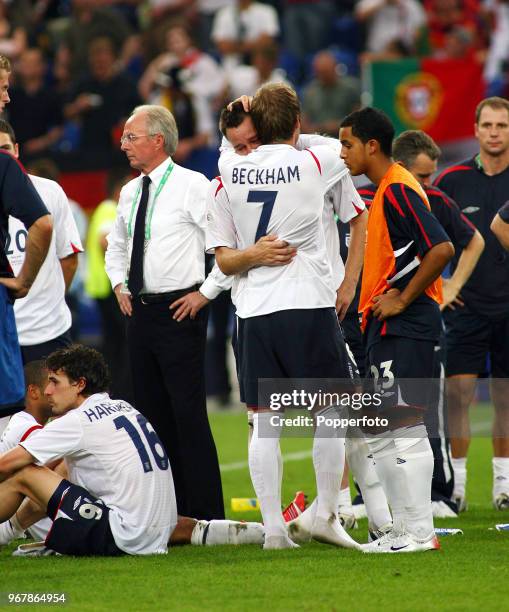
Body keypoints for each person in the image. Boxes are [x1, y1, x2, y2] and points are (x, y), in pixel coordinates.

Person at [217, 100, 393, 541]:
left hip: (253, 311)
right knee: (332, 413)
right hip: (308, 304)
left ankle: (275, 531)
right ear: (296, 123)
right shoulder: (316, 161)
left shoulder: (226, 170)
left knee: (264, 422)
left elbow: (221, 260)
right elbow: (350, 149)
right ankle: (328, 516)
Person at [0, 345, 264, 556]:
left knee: (24, 473)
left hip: (124, 535)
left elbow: (6, 466)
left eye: (55, 382)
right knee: (62, 470)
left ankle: (5, 534)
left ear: (79, 384)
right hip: (158, 530)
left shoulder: (77, 421)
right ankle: (267, 531)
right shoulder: (124, 406)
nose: (48, 391)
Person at [105, 104, 229, 521]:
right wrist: (118, 283)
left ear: (158, 140)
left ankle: (206, 514)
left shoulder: (194, 185)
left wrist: (204, 294)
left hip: (180, 310)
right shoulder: (129, 191)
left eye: (131, 136)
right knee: (149, 416)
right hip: (139, 312)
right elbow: (118, 246)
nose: (124, 145)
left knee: (188, 414)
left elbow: (223, 246)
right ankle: (166, 512)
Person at [339, 107, 454, 552]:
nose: (344, 153)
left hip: (406, 323)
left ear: (372, 146)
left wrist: (403, 298)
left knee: (403, 426)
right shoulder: (385, 190)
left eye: (348, 144)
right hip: (385, 324)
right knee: (384, 428)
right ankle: (402, 530)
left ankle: (420, 532)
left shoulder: (398, 189)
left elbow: (441, 247)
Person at [359, 129, 484, 518]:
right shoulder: (371, 197)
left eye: (431, 176)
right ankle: (380, 501)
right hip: (373, 317)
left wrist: (451, 285)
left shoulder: (425, 198)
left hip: (415, 318)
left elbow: (466, 241)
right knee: (382, 413)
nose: (427, 183)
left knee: (420, 411)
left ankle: (439, 495)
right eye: (423, 175)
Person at [433, 96, 509, 511]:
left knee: (505, 398)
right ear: (476, 130)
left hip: (508, 306)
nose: (495, 132)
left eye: (502, 125)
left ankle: (503, 485)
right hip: (466, 308)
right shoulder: (451, 181)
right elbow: (430, 238)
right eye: (488, 125)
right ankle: (457, 486)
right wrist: (446, 284)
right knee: (458, 395)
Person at [1, 120, 83, 364]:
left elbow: (68, 259)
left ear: (16, 150)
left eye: (5, 149)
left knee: (53, 402)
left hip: (47, 331)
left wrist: (50, 303)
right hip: (4, 331)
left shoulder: (49, 191)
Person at [0, 126, 53, 435]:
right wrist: (23, 282)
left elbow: (68, 258)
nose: (7, 98)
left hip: (46, 323)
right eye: (4, 88)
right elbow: (43, 225)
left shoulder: (50, 189)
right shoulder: (5, 166)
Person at [85, 167, 133, 402]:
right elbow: (105, 240)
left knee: (113, 343)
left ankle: (111, 392)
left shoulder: (104, 209)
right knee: (120, 345)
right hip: (109, 289)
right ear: (118, 190)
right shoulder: (109, 209)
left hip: (102, 288)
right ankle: (119, 393)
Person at [0, 360, 53, 544]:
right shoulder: (28, 429)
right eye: (51, 383)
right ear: (33, 391)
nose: (55, 391)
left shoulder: (19, 420)